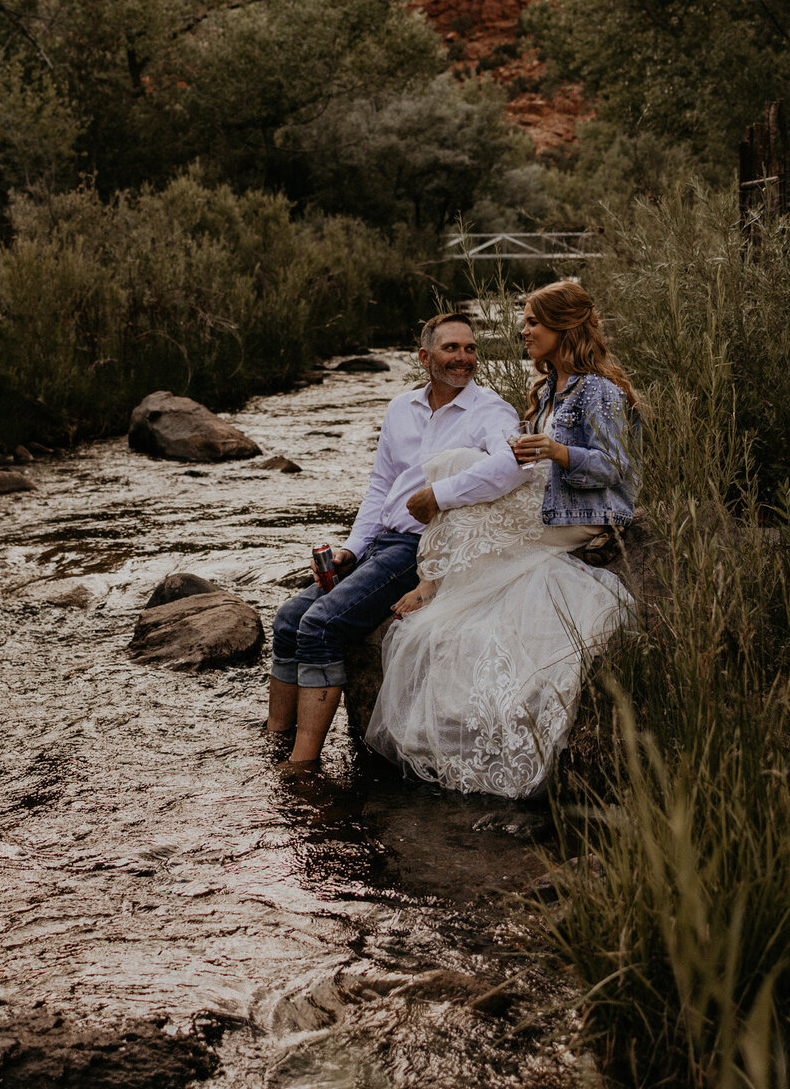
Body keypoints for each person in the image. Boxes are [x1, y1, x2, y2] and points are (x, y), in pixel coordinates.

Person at [364, 280, 640, 798]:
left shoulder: (598, 390)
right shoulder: (551, 388)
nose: (523, 330)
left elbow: (619, 470)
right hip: (553, 497)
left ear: (563, 328)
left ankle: (431, 583)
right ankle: (432, 580)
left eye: (533, 321)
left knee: (458, 473)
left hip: (582, 512)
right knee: (463, 468)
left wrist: (557, 453)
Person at [267, 312, 530, 770]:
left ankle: (301, 766)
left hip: (421, 549)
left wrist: (441, 495)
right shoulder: (400, 408)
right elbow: (379, 486)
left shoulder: (490, 410)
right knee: (289, 617)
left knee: (321, 624)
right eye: (452, 348)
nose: (464, 358)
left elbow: (513, 465)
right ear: (425, 357)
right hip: (380, 543)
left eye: (470, 348)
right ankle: (274, 741)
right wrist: (351, 548)